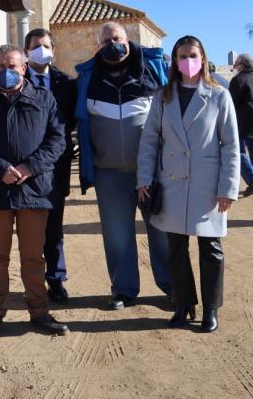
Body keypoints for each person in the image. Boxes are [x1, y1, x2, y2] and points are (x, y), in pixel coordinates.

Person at [137, 35, 239, 333]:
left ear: (203, 58)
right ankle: (183, 304)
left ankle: (210, 308)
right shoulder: (163, 96)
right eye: (182, 56)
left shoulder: (219, 95)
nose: (188, 61)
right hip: (172, 182)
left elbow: (231, 145)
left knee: (211, 247)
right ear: (174, 60)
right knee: (176, 247)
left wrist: (228, 187)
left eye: (193, 55)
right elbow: (150, 140)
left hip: (207, 185)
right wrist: (144, 178)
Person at [0, 45, 70, 339]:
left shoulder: (43, 98)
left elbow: (57, 140)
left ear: (24, 68)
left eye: (12, 66)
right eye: (1, 66)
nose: (6, 71)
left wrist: (28, 167)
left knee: (33, 257)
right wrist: (0, 168)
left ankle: (39, 312)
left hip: (35, 189)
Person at [74, 22, 172, 310]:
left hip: (153, 171)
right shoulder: (87, 79)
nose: (111, 44)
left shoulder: (153, 70)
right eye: (105, 41)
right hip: (109, 173)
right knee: (117, 235)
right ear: (98, 46)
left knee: (163, 230)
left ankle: (171, 286)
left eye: (116, 38)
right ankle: (124, 289)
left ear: (127, 40)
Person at [24, 28, 77, 304]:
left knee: (54, 227)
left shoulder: (66, 83)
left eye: (46, 46)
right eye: (35, 46)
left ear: (53, 51)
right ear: (26, 51)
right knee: (29, 229)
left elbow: (72, 123)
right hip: (25, 167)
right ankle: (31, 283)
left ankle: (56, 279)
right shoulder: (16, 79)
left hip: (56, 166)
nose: (41, 50)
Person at [229, 53, 253, 196]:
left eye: (236, 64)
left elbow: (231, 104)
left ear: (242, 65)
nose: (234, 66)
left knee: (236, 153)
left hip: (243, 121)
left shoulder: (238, 80)